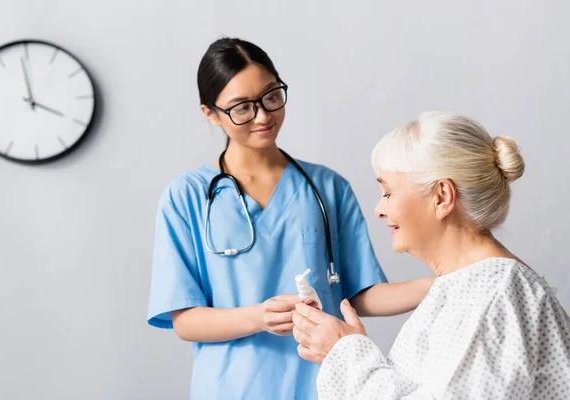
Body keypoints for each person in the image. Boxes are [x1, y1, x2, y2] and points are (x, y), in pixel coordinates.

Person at [147, 37, 434, 400]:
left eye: (271, 96)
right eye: (242, 108)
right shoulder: (186, 198)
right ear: (210, 113)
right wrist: (259, 317)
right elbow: (185, 320)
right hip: (232, 388)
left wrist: (440, 284)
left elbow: (358, 295)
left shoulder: (327, 188)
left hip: (324, 385)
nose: (263, 116)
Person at [292, 111, 570, 399]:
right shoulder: (472, 289)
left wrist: (346, 353)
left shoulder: (492, 296)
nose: (379, 209)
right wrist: (339, 351)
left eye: (388, 193)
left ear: (442, 197)